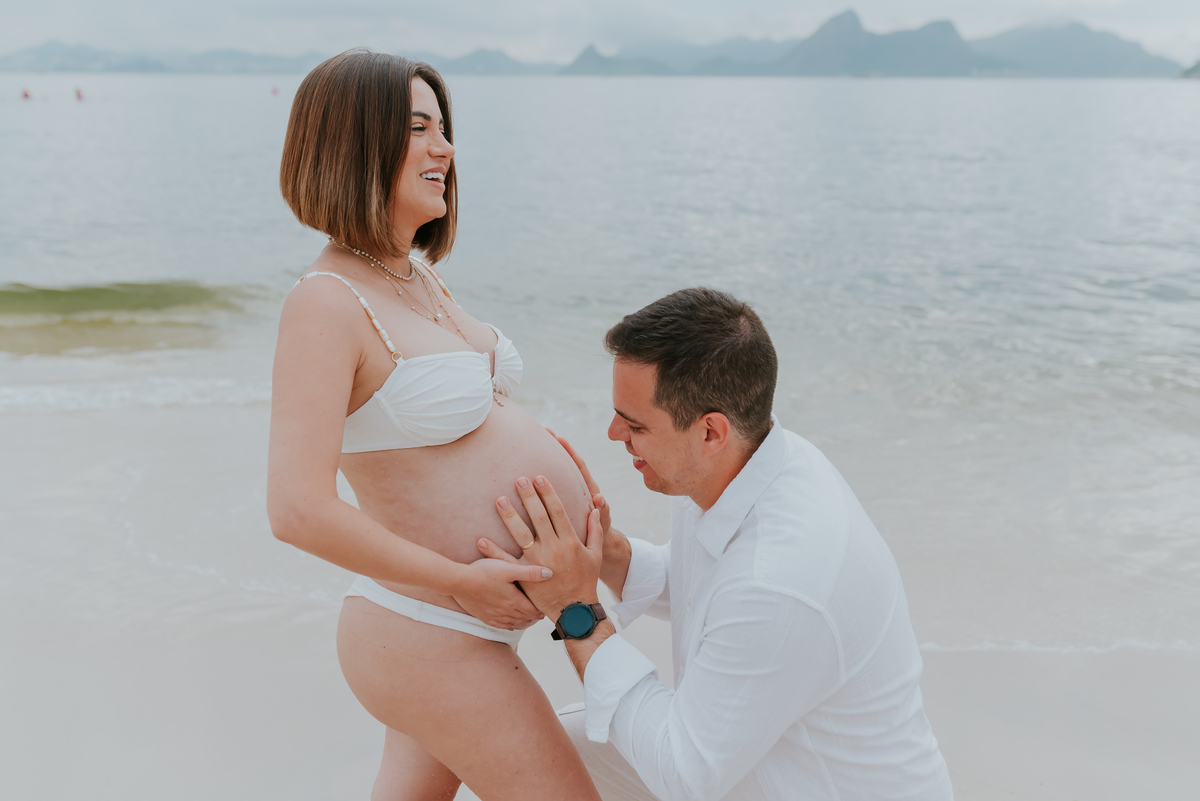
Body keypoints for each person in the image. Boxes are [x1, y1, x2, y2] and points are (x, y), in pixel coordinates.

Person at [266, 50, 601, 800]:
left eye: (443, 129)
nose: (445, 150)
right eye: (419, 129)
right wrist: (463, 581)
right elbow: (295, 509)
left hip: (464, 621)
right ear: (354, 144)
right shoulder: (323, 303)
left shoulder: (415, 274)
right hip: (429, 626)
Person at [479, 287, 954, 800]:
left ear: (711, 432)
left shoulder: (780, 577)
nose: (614, 433)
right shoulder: (743, 464)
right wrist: (607, 552)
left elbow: (684, 774)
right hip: (744, 765)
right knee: (512, 753)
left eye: (635, 423)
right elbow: (704, 584)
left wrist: (575, 609)